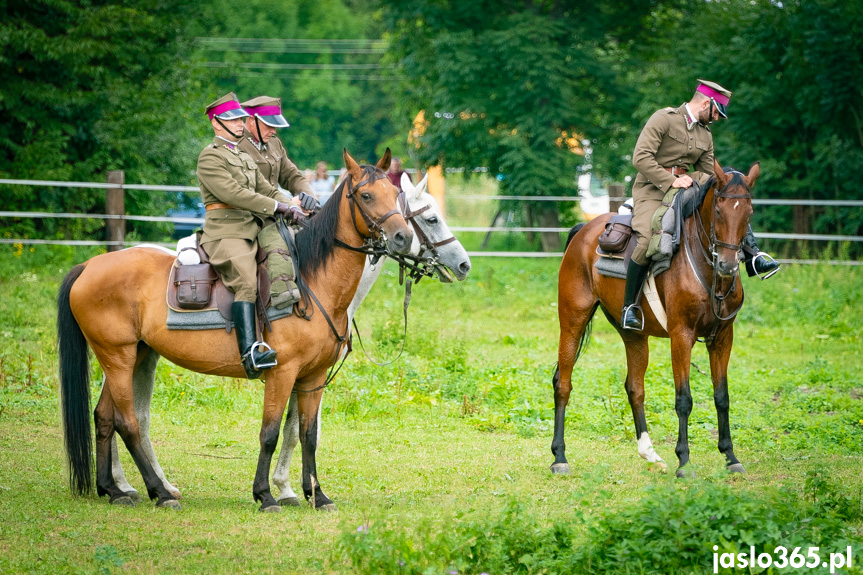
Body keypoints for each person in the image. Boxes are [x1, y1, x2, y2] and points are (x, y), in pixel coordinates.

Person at [622, 79, 780, 331]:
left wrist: (729, 185)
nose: (717, 118)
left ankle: (753, 256)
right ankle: (629, 306)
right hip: (653, 188)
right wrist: (670, 180)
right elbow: (640, 158)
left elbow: (708, 174)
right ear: (706, 103)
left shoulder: (705, 134)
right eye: (716, 112)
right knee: (646, 239)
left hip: (688, 185)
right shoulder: (664, 118)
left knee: (728, 202)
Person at [196, 92, 306, 378]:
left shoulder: (242, 155)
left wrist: (289, 205)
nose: (240, 123)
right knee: (246, 281)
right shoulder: (210, 156)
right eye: (233, 119)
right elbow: (234, 193)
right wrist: (276, 205)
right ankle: (251, 353)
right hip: (226, 232)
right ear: (216, 124)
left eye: (241, 118)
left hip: (254, 227)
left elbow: (265, 188)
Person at [238, 95, 318, 212]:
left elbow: (292, 176)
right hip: (249, 218)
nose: (274, 131)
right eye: (269, 125)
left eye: (274, 126)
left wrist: (308, 197)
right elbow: (243, 191)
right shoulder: (236, 144)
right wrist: (287, 204)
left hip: (277, 215)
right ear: (252, 120)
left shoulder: (275, 143)